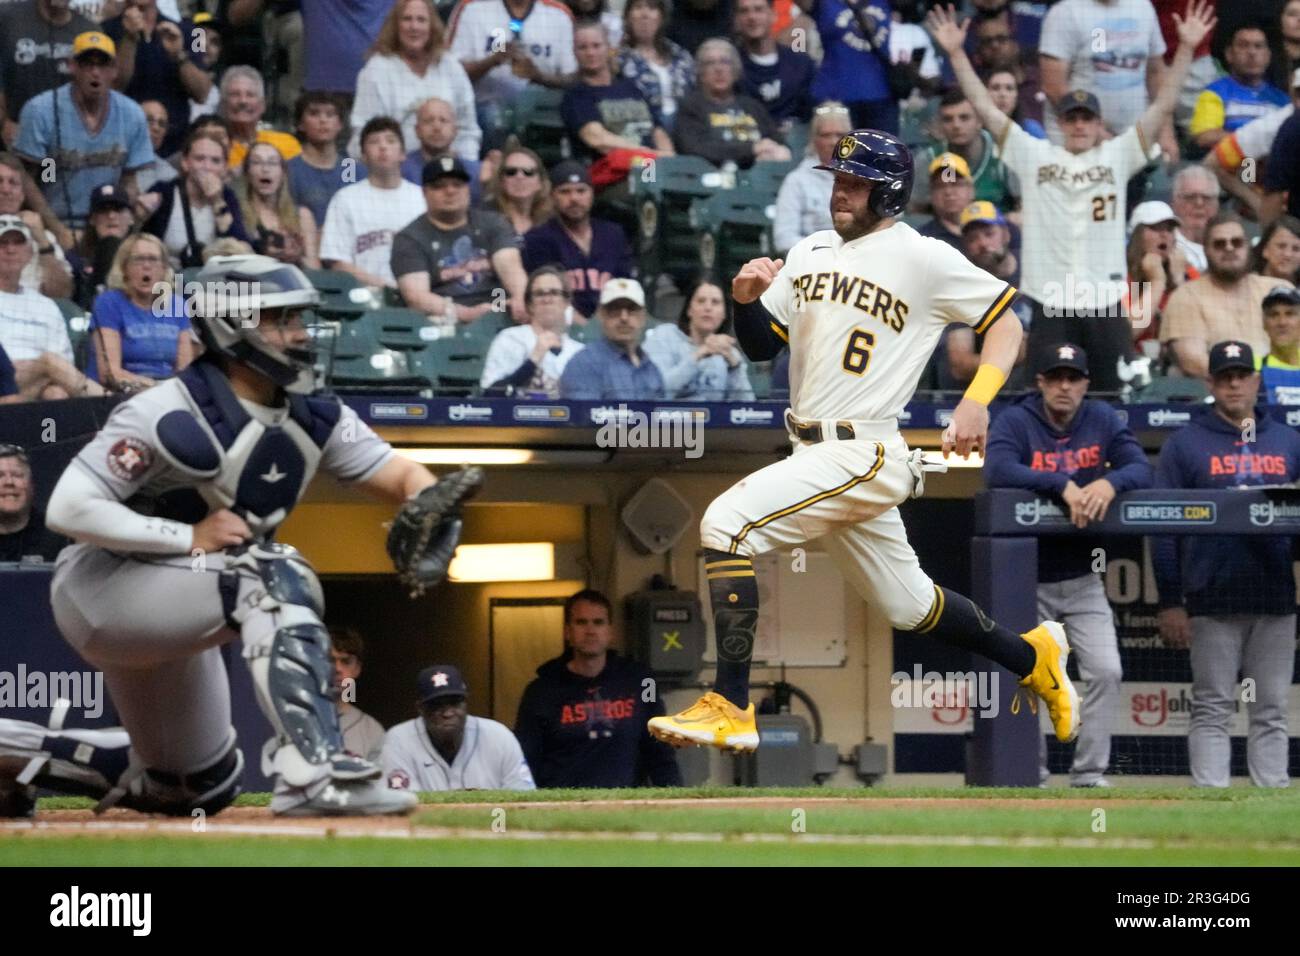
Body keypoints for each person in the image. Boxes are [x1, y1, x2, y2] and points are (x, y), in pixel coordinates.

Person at [646, 128, 1081, 754]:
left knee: (726, 524)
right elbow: (763, 344)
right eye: (838, 181)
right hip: (813, 449)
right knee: (910, 606)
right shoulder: (811, 250)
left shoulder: (923, 256)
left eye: (856, 184)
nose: (840, 193)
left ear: (891, 194)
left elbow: (1008, 323)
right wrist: (744, 303)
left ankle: (730, 706)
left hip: (864, 448)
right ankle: (1031, 656)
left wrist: (975, 401)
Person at [0, 254, 482, 818]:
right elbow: (69, 506)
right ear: (230, 327)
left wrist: (427, 504)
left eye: (299, 318)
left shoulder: (311, 412)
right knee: (275, 570)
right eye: (280, 319)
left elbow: (399, 473)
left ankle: (18, 754)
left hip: (186, 597)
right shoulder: (164, 409)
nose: (300, 333)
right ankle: (315, 771)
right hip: (104, 587)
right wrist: (188, 537)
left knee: (195, 786)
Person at [927, 1, 1214, 393]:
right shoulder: (1034, 154)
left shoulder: (1118, 155)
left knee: (1114, 395)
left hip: (1105, 300)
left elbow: (1162, 104)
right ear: (1060, 123)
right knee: (1043, 396)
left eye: (1086, 118)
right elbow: (985, 110)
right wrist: (957, 53)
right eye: (1071, 117)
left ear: (1099, 124)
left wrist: (1184, 49)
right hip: (1051, 298)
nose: (1079, 124)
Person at [984, 342, 1153, 787]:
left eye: (1073, 378)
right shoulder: (1017, 420)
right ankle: (1031, 774)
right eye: (1055, 377)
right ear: (1039, 381)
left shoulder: (1102, 419)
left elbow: (1140, 466)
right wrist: (1061, 484)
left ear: (1086, 384)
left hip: (1082, 577)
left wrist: (1110, 483)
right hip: (1026, 578)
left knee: (1106, 670)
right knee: (1029, 676)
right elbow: (997, 469)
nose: (1064, 386)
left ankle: (1088, 774)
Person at [1153, 340, 1300, 789]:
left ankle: (1270, 796)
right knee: (1213, 705)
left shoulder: (1288, 439)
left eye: (1242, 374)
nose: (1234, 383)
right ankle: (1209, 801)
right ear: (1211, 383)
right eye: (1225, 376)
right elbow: (1160, 527)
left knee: (1271, 707)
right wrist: (1170, 600)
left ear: (1257, 380)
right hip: (1212, 597)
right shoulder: (1186, 444)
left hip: (1274, 595)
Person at [514, 589, 682, 788]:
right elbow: (526, 760)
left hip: (629, 806)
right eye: (581, 622)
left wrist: (675, 796)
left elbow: (659, 749)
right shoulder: (539, 691)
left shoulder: (644, 681)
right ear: (567, 632)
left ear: (610, 632)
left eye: (598, 622)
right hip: (564, 809)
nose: (590, 630)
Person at [15, 31, 155, 232]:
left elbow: (128, 179)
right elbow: (33, 179)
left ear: (114, 70)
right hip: (55, 222)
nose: (95, 72)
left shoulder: (131, 114)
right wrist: (56, 229)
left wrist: (125, 218)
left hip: (107, 223)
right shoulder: (42, 110)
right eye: (87, 64)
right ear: (72, 66)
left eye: (102, 64)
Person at [391, 155, 527, 324]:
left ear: (468, 189)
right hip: (445, 321)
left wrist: (521, 298)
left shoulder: (493, 222)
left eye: (457, 185)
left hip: (498, 307)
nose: (450, 191)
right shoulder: (410, 237)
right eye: (439, 186)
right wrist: (467, 314)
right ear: (424, 193)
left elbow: (510, 266)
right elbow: (417, 298)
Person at [1160, 212, 1292, 378]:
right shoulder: (1186, 296)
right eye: (1219, 244)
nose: (1229, 248)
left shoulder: (1278, 289)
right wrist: (1248, 382)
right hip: (1217, 395)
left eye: (1236, 242)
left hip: (1286, 390)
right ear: (1206, 250)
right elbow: (1193, 362)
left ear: (1248, 248)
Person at [346, 0, 480, 163]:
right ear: (395, 26)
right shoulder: (376, 69)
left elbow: (468, 129)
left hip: (448, 167)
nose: (414, 27)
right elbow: (363, 133)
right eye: (407, 19)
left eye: (421, 20)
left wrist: (466, 164)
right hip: (395, 169)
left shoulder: (450, 65)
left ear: (432, 26)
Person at [1037, 0, 1174, 158]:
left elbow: (1156, 72)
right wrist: (1101, 136)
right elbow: (1054, 86)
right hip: (1079, 146)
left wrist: (1166, 131)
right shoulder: (1065, 13)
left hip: (1136, 141)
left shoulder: (1143, 7)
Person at [0, 215, 104, 400]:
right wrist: (39, 366)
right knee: (48, 363)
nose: (10, 249)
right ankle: (106, 402)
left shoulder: (45, 305)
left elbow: (64, 363)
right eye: (3, 243)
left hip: (35, 386)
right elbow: (54, 363)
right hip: (5, 378)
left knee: (56, 393)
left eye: (18, 243)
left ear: (30, 253)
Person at [384, 664, 535, 791]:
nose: (448, 713)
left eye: (455, 702)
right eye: (437, 704)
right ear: (420, 708)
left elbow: (524, 799)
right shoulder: (399, 741)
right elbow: (399, 806)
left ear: (466, 703)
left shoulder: (499, 736)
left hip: (494, 825)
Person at [520, 159, 634, 321]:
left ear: (592, 194)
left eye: (581, 191)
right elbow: (545, 295)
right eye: (565, 192)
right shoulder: (538, 238)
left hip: (611, 324)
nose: (574, 198)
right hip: (560, 327)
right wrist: (586, 330)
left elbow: (626, 287)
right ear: (552, 196)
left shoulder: (613, 234)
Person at [319, 117, 425, 289]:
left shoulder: (421, 198)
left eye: (390, 141)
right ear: (363, 156)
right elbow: (337, 262)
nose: (383, 147)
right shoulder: (345, 199)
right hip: (364, 298)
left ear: (402, 154)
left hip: (420, 296)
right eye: (374, 142)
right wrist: (385, 287)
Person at [447, 0, 576, 137]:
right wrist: (491, 62)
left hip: (542, 113)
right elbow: (451, 74)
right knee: (491, 117)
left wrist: (538, 76)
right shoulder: (473, 9)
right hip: (484, 109)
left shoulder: (558, 14)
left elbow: (574, 78)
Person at [941, 199, 1030, 390]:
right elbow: (960, 365)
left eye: (989, 234)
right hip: (994, 392)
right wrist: (1012, 355)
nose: (982, 243)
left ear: (1006, 234)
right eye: (973, 239)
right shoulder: (964, 290)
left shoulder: (1036, 268)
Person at [104, 0, 212, 157]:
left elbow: (203, 93)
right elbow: (113, 86)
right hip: (120, 147)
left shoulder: (194, 32)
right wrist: (129, 39)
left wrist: (179, 55)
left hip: (174, 148)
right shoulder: (103, 30)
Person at [562, 20, 674, 169]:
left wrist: (669, 158)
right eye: (582, 47)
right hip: (613, 171)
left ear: (609, 48)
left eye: (596, 46)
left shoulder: (631, 87)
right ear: (574, 53)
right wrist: (647, 154)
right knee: (649, 186)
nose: (590, 53)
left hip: (651, 165)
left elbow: (657, 130)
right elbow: (597, 139)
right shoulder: (576, 95)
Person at [86, 233, 192, 388]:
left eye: (153, 259)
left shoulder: (177, 305)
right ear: (124, 268)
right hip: (122, 392)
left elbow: (185, 370)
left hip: (168, 391)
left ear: (164, 269)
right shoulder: (108, 303)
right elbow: (110, 373)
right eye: (138, 259)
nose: (146, 266)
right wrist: (154, 387)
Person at [138, 128, 249, 269]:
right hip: (165, 279)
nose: (207, 167)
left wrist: (217, 201)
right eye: (199, 159)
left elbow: (240, 247)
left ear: (224, 167)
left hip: (213, 282)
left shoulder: (228, 197)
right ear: (185, 162)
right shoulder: (164, 192)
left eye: (215, 161)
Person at [673, 38, 790, 169]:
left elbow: (777, 141)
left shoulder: (752, 107)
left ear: (735, 71)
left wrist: (772, 151)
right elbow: (696, 148)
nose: (719, 69)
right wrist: (751, 149)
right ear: (701, 73)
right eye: (710, 63)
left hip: (756, 173)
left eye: (725, 62)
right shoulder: (691, 106)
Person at [0, 0, 97, 146]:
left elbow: (102, 87)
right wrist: (3, 123)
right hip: (12, 137)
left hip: (66, 143)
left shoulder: (89, 31)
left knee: (49, 168)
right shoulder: (7, 17)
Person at [644, 276, 755, 400]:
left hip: (714, 419)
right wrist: (698, 355)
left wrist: (735, 367)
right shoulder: (664, 336)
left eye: (715, 302)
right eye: (701, 301)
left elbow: (747, 409)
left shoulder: (728, 353)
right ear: (689, 309)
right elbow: (655, 392)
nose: (708, 308)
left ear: (724, 314)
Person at [910, 90, 1019, 214]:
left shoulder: (1004, 154)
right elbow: (916, 213)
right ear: (940, 124)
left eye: (964, 118)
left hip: (996, 229)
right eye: (948, 119)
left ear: (980, 121)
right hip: (943, 232)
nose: (956, 125)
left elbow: (1023, 206)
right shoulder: (927, 160)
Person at [480, 265, 583, 395]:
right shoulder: (510, 339)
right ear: (530, 304)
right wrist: (533, 359)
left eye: (554, 293)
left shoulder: (579, 352)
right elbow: (489, 396)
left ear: (566, 302)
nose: (547, 299)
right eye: (540, 294)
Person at [799, 0, 897, 133]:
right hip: (834, 98)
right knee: (837, 152)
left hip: (882, 97)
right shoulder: (825, 3)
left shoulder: (884, 3)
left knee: (883, 152)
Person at [1189, 21, 1288, 151]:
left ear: (1267, 56)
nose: (1252, 52)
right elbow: (1205, 137)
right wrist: (1254, 142)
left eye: (1258, 46)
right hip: (1230, 165)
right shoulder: (1215, 93)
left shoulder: (1282, 100)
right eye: (1243, 45)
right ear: (1229, 54)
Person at [559, 278, 664, 399]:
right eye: (615, 309)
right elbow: (582, 416)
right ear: (601, 315)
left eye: (631, 309)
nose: (624, 317)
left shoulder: (650, 367)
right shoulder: (584, 363)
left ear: (643, 317)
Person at [773, 102, 852, 255]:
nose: (833, 142)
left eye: (839, 135)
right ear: (814, 140)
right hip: (812, 265)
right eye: (825, 135)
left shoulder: (864, 180)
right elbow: (783, 239)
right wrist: (829, 250)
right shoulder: (796, 181)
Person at [286, 92, 364, 231]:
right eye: (314, 114)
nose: (323, 120)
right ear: (300, 124)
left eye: (330, 114)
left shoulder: (349, 167)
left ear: (339, 124)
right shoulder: (290, 170)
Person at [0, 154, 74, 300]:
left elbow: (62, 293)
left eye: (13, 183)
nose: (6, 190)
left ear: (22, 195)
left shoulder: (43, 236)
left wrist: (42, 242)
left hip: (34, 314)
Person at [615, 0, 696, 133]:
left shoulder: (680, 55)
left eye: (652, 8)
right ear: (628, 17)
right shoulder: (619, 60)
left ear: (662, 17)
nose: (644, 14)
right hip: (644, 129)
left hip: (687, 127)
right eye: (638, 7)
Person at [735, 0, 814, 134]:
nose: (752, 17)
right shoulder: (730, 66)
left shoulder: (801, 64)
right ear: (736, 20)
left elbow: (810, 114)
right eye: (744, 11)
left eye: (758, 9)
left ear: (773, 15)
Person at [236, 141, 320, 269]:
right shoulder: (237, 214)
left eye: (272, 163)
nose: (265, 169)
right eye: (257, 162)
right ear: (247, 172)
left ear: (283, 173)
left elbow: (315, 269)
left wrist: (298, 258)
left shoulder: (302, 216)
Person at [1125, 199, 1194, 353]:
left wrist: (1179, 283)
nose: (1164, 234)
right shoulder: (1120, 274)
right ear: (1137, 236)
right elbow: (1127, 333)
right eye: (1155, 228)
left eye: (1169, 229)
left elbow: (1198, 331)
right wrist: (1157, 282)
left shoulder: (1187, 271)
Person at [400, 97, 488, 203]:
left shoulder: (476, 172)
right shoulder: (400, 169)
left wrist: (489, 185)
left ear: (455, 130)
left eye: (443, 120)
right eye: (429, 121)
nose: (437, 127)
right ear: (417, 130)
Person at [219, 66, 302, 169]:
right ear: (223, 104)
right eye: (235, 94)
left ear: (262, 105)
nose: (243, 101)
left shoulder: (286, 144)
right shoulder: (214, 147)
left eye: (250, 95)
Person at [68, 183, 134, 310]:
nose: (111, 216)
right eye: (104, 210)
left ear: (131, 218)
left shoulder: (145, 256)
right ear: (92, 219)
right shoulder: (74, 258)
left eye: (118, 209)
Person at [0, 444, 69, 562]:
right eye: (0, 476)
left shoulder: (61, 539)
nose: (9, 482)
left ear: (32, 486)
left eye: (17, 475)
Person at [328, 626, 386, 762]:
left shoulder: (372, 731)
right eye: (330, 660)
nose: (337, 668)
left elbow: (379, 782)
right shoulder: (291, 719)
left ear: (357, 669)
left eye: (346, 661)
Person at [486, 146, 551, 236]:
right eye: (511, 172)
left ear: (540, 183)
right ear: (501, 181)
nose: (519, 177)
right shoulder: (485, 219)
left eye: (528, 172)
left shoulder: (550, 223)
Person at [917, 152, 975, 250]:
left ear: (971, 190)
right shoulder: (922, 240)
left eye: (955, 184)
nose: (948, 192)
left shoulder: (993, 227)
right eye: (940, 186)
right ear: (931, 194)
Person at [1170, 164, 1220, 272]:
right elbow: (1137, 288)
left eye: (1207, 197)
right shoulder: (1161, 246)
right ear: (1174, 204)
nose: (1199, 203)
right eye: (1190, 197)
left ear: (1217, 205)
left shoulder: (1232, 247)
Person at [1255, 285, 1300, 404]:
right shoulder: (1252, 369)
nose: (1282, 322)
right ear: (1264, 323)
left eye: (1290, 314)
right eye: (1274, 315)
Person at [986, 67, 1045, 140]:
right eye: (996, 88)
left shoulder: (1031, 130)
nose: (1002, 94)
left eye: (1009, 88)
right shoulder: (977, 131)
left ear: (1017, 95)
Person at [136, 99, 182, 192]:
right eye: (149, 120)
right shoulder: (108, 157)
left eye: (162, 124)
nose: (156, 128)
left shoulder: (169, 176)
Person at [1253, 213, 1300, 284]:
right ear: (1265, 250)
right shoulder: (1245, 286)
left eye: (1296, 249)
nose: (1287, 254)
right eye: (1281, 246)